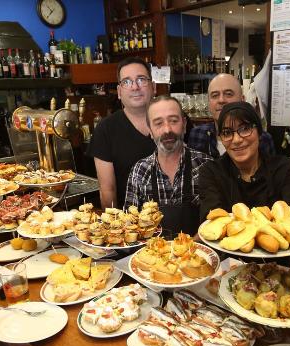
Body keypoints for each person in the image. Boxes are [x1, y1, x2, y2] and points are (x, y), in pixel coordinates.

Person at [198, 101, 290, 220]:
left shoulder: (284, 169)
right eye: (227, 132)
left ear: (259, 132)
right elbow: (211, 223)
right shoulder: (211, 172)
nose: (237, 140)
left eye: (244, 129)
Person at [125, 96, 211, 234]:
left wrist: (186, 249)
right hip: (151, 253)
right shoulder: (139, 171)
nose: (167, 129)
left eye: (173, 121)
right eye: (158, 123)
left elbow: (217, 223)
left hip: (200, 253)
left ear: (184, 124)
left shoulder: (206, 166)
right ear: (150, 130)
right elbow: (130, 227)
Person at [88, 57, 156, 209]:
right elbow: (107, 190)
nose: (134, 87)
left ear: (153, 86)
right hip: (130, 223)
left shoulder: (173, 119)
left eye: (141, 79)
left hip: (178, 218)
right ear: (119, 92)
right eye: (126, 81)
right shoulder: (106, 129)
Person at [187, 73, 275, 157]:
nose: (221, 100)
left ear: (242, 100)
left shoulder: (262, 139)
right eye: (215, 95)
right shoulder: (197, 134)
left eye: (228, 94)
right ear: (209, 103)